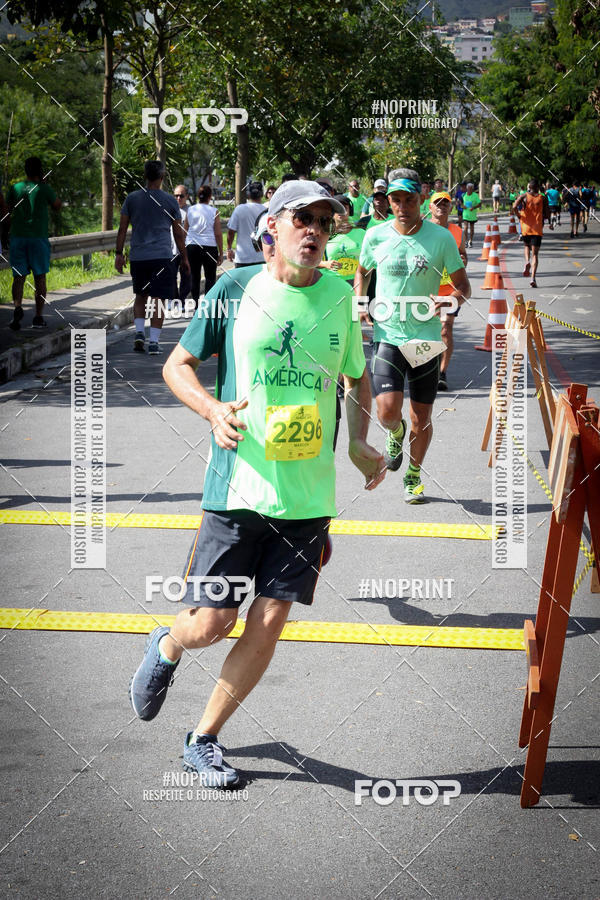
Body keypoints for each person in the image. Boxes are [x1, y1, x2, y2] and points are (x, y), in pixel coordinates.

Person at [129, 180, 385, 786]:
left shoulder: (341, 296)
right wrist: (212, 410)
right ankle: (167, 644)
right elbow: (176, 365)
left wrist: (356, 442)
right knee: (210, 626)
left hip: (308, 499)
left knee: (268, 622)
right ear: (271, 227)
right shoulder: (235, 288)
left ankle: (203, 739)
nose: (315, 230)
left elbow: (357, 375)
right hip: (237, 492)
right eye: (303, 218)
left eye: (325, 220)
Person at [354, 168, 471, 504]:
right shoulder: (375, 236)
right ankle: (395, 432)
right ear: (388, 201)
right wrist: (360, 298)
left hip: (425, 339)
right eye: (396, 200)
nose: (402, 206)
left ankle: (413, 476)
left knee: (423, 417)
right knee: (387, 412)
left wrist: (451, 299)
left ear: (421, 199)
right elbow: (362, 269)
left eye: (409, 199)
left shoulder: (440, 238)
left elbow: (464, 286)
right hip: (388, 334)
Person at [116, 160, 188, 354]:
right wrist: (185, 258)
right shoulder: (170, 201)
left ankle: (140, 332)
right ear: (162, 177)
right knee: (158, 300)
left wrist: (118, 254)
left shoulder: (132, 199)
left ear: (146, 176)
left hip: (139, 256)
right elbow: (178, 234)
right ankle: (154, 342)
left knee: (140, 295)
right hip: (162, 257)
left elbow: (122, 228)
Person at [7, 156, 62, 331]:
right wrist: (45, 185)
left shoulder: (15, 188)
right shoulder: (44, 189)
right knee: (40, 278)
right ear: (40, 170)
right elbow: (57, 205)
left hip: (18, 237)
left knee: (18, 277)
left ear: (25, 170)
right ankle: (38, 316)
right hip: (38, 238)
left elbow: (7, 209)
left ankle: (17, 307)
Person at [428, 191, 468, 392]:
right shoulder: (423, 230)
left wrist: (463, 261)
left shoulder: (457, 231)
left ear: (450, 208)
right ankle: (427, 370)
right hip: (426, 289)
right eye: (438, 203)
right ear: (430, 207)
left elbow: (463, 255)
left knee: (445, 329)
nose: (441, 206)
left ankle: (441, 373)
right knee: (428, 331)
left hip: (450, 290)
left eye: (446, 204)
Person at [185, 185, 223, 306]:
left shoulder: (190, 210)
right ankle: (207, 305)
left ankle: (196, 305)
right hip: (209, 246)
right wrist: (221, 252)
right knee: (210, 277)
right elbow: (217, 233)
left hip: (192, 246)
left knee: (194, 277)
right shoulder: (214, 211)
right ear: (210, 197)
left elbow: (185, 229)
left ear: (198, 196)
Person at [512, 179, 551, 288]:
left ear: (529, 187)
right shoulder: (542, 197)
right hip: (537, 228)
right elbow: (547, 212)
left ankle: (526, 261)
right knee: (535, 254)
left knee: (526, 246)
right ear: (538, 188)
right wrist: (550, 223)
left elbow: (514, 206)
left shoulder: (524, 196)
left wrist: (519, 216)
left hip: (525, 227)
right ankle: (533, 278)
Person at [320, 195, 365, 285]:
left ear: (350, 211)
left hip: (357, 283)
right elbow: (312, 261)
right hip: (331, 283)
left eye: (344, 208)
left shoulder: (362, 233)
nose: (340, 211)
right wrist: (325, 264)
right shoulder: (324, 233)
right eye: (337, 208)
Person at [226, 182, 267, 268]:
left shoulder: (239, 209)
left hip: (243, 258)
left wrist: (229, 249)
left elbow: (231, 232)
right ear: (262, 194)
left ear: (248, 195)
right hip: (262, 257)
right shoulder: (267, 211)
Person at [172, 185, 192, 302]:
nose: (178, 198)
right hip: (172, 248)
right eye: (176, 196)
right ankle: (175, 299)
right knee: (171, 276)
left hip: (187, 248)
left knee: (186, 275)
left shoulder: (191, 211)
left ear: (187, 196)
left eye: (181, 196)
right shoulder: (169, 209)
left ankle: (182, 299)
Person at [461, 183, 481, 248]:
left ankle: (470, 241)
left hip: (472, 215)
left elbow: (479, 204)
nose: (469, 190)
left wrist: (474, 207)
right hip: (465, 215)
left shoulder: (475, 195)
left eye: (471, 189)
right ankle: (466, 241)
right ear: (467, 189)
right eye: (468, 189)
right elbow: (461, 204)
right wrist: (462, 206)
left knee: (472, 229)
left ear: (472, 189)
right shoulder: (464, 195)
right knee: (465, 228)